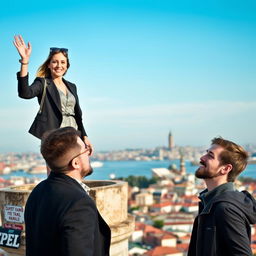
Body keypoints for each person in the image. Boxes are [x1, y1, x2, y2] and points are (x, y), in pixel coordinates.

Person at [25, 127, 111, 256]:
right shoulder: (79, 203)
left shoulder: (37, 192)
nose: (89, 153)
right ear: (76, 163)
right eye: (85, 150)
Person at [13, 35, 93, 155]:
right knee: (57, 170)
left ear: (67, 66)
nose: (59, 65)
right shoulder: (43, 83)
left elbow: (77, 115)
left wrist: (85, 135)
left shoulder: (72, 86)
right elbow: (25, 93)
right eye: (54, 62)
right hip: (54, 134)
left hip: (74, 133)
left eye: (62, 62)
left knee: (76, 169)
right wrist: (25, 62)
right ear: (49, 65)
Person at [188, 137, 256, 256]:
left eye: (210, 155)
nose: (202, 158)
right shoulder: (209, 203)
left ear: (225, 169)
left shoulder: (225, 209)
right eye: (206, 153)